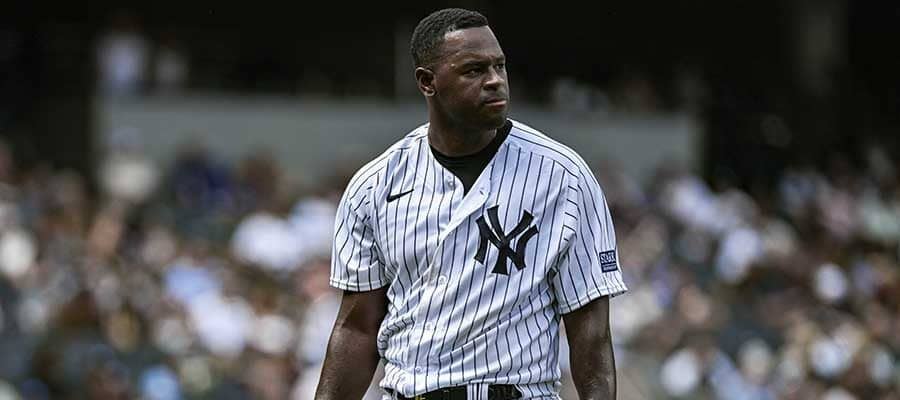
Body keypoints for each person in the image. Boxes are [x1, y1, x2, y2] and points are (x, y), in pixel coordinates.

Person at [315, 8, 627, 400]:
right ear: (427, 82)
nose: (495, 80)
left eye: (499, 66)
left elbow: (591, 334)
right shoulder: (375, 185)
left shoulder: (563, 175)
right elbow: (358, 328)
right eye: (474, 70)